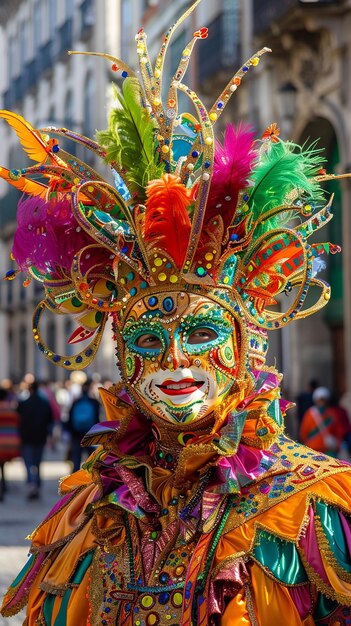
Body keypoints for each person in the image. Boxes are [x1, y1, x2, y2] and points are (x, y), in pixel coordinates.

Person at [2, 2, 351, 623]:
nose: (174, 360)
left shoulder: (312, 508)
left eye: (200, 330)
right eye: (147, 338)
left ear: (245, 341)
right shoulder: (87, 512)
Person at [17, 381, 53, 499]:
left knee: (28, 462)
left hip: (26, 437)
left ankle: (32, 484)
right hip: (40, 437)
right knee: (37, 463)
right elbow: (50, 421)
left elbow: (18, 421)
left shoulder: (23, 404)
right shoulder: (44, 403)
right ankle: (36, 484)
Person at [300, 386, 351, 457]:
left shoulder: (310, 413)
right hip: (327, 450)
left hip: (315, 449)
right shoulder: (332, 413)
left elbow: (303, 432)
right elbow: (339, 432)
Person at [66, 380, 100, 471]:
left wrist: (71, 431)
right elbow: (98, 419)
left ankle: (75, 479)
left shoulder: (76, 402)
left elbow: (69, 418)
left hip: (76, 434)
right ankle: (92, 477)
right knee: (92, 458)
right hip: (90, 434)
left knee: (76, 458)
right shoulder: (94, 403)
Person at [0, 387, 20, 501]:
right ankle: (4, 486)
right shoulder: (11, 409)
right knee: (3, 465)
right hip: (9, 443)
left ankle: (2, 488)